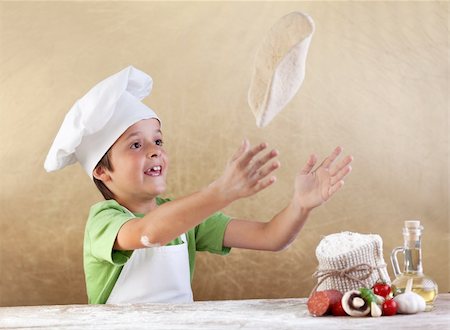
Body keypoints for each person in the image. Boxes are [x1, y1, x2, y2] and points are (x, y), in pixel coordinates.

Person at [45, 66, 353, 304]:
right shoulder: (104, 220)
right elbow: (148, 233)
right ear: (102, 171)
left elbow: (271, 237)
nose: (155, 151)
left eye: (158, 140)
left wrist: (300, 204)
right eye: (136, 145)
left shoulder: (186, 219)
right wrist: (221, 192)